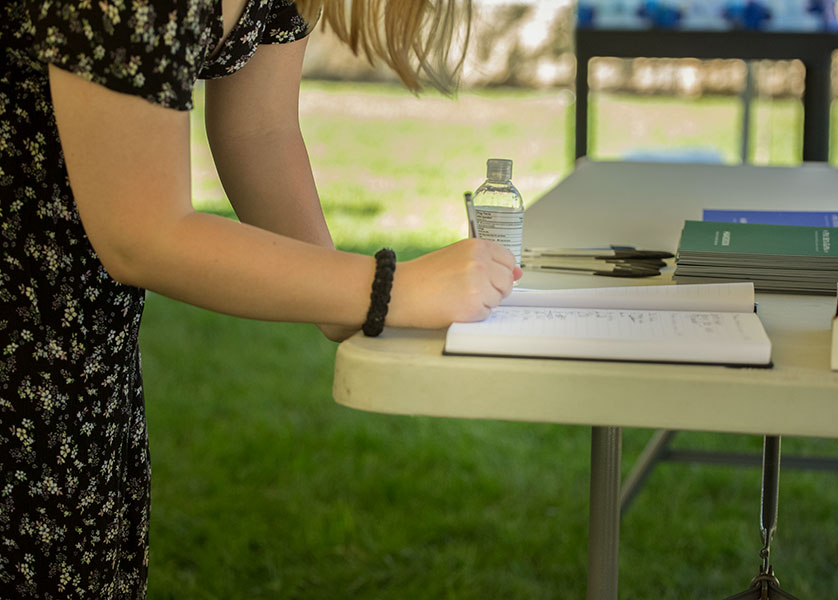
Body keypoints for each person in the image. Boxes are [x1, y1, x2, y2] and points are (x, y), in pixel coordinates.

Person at [0, 0, 520, 596]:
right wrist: (386, 289)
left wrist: (344, 305)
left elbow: (257, 130)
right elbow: (142, 233)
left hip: (82, 340)